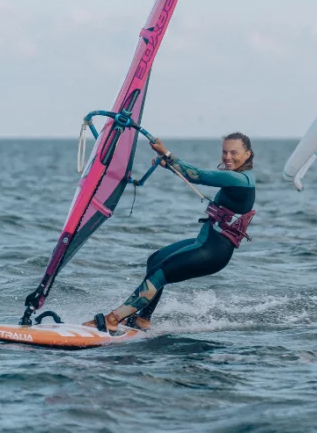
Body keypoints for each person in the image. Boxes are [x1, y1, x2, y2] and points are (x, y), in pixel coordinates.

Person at [85, 132, 256, 334]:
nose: (228, 157)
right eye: (224, 152)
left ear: (247, 154)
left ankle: (113, 319)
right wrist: (170, 164)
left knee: (159, 274)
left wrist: (165, 153)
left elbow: (198, 175)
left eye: (234, 152)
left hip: (212, 251)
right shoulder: (239, 177)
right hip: (207, 242)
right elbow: (191, 173)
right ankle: (142, 319)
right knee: (155, 260)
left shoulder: (239, 180)